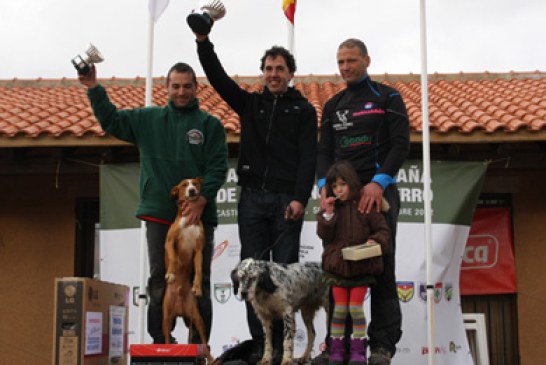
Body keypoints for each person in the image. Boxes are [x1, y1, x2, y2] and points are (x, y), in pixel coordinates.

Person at [78, 62, 228, 344]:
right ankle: (160, 344)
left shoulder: (211, 125)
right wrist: (93, 87)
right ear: (167, 88)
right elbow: (111, 121)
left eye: (187, 86)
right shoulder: (148, 119)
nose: (181, 92)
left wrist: (203, 199)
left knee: (200, 280)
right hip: (160, 214)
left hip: (199, 216)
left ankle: (198, 347)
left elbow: (218, 167)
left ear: (196, 88)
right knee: (161, 278)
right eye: (176, 86)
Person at [191, 28, 317, 363]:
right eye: (269, 68)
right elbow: (217, 79)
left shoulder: (304, 110)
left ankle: (286, 350)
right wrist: (203, 42)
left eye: (280, 69)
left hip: (286, 201)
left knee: (287, 276)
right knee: (252, 275)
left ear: (290, 74)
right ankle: (264, 346)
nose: (274, 74)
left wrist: (300, 198)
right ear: (263, 73)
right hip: (252, 200)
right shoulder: (250, 103)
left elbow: (309, 158)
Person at [315, 38, 410, 365]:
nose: (345, 67)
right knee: (336, 268)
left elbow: (400, 144)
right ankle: (334, 346)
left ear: (366, 60)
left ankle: (382, 345)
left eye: (351, 61)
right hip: (342, 200)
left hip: (378, 196)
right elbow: (324, 152)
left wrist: (378, 183)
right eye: (340, 62)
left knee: (381, 266)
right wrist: (324, 188)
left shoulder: (388, 96)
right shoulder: (333, 104)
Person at [317, 160, 391, 365]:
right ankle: (336, 351)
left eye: (342, 184)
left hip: (361, 268)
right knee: (339, 310)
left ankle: (359, 351)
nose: (339, 189)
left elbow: (383, 231)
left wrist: (374, 241)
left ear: (352, 182)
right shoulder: (331, 209)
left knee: (356, 309)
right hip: (338, 270)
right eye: (334, 186)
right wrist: (328, 213)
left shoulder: (366, 206)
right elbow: (323, 233)